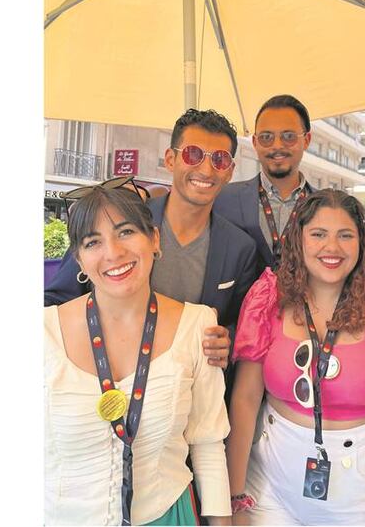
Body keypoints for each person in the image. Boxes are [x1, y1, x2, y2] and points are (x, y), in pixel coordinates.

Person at [226, 189, 365, 525]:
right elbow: (246, 398)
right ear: (298, 240)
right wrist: (232, 494)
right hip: (270, 482)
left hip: (361, 490)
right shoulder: (269, 297)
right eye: (318, 234)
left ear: (361, 244)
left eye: (345, 236)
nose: (331, 248)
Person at [44, 186, 232, 525]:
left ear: (155, 240)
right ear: (79, 259)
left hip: (166, 514)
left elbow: (207, 442)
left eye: (126, 232)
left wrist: (221, 521)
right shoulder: (42, 332)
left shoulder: (198, 326)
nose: (113, 253)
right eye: (92, 242)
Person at [46, 110, 261, 363]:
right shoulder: (123, 224)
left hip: (183, 382)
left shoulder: (240, 248)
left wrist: (228, 341)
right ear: (170, 159)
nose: (206, 169)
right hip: (106, 371)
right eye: (193, 155)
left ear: (230, 171)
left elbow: (240, 323)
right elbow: (55, 301)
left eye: (220, 160)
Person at [215, 95, 315, 273]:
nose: (277, 145)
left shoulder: (325, 206)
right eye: (266, 137)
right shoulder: (222, 199)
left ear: (306, 140)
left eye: (289, 136)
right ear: (254, 142)